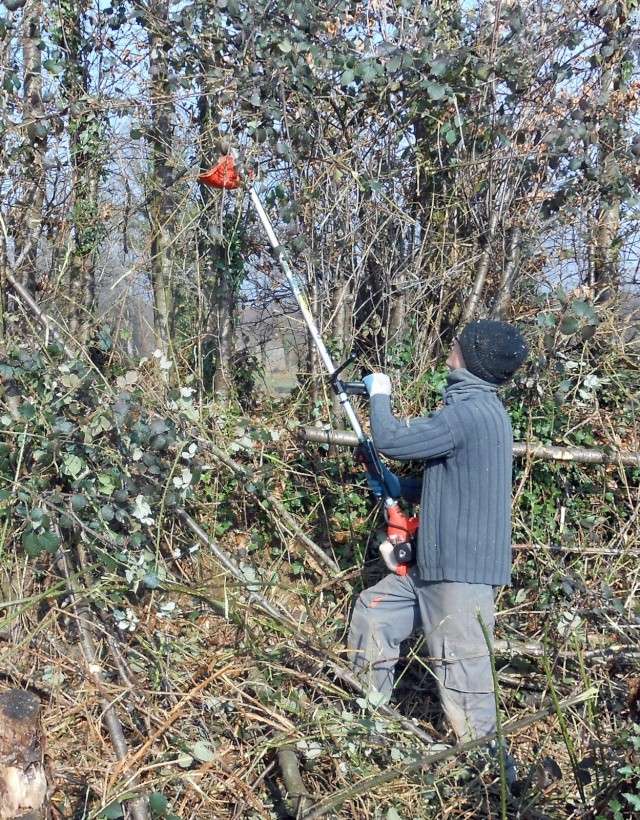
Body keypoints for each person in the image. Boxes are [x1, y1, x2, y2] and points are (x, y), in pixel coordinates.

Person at [347, 320, 528, 767]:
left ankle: (498, 786)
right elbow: (457, 484)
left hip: (458, 573)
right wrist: (400, 487)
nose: (451, 345)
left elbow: (390, 439)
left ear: (473, 357)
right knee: (374, 615)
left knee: (466, 687)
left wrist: (379, 391)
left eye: (459, 343)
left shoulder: (469, 413)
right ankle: (366, 731)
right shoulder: (477, 411)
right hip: (431, 565)